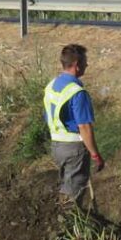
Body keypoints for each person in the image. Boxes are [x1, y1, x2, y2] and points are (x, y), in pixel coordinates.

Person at [43, 44, 104, 206]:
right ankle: (68, 226)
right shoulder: (77, 93)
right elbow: (84, 127)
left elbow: (47, 115)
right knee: (73, 197)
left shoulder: (51, 86)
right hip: (74, 148)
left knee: (66, 188)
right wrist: (95, 155)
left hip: (57, 146)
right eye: (85, 62)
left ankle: (65, 222)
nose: (87, 65)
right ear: (77, 65)